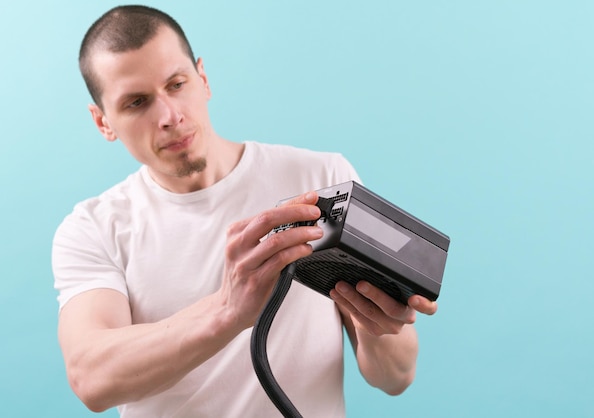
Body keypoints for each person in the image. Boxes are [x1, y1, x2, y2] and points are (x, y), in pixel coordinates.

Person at [53, 5, 438, 417]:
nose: (170, 115)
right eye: (136, 102)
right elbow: (91, 378)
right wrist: (228, 310)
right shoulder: (92, 228)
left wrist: (375, 321)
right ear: (103, 122)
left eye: (177, 84)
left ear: (203, 78)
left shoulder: (321, 178)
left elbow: (395, 377)